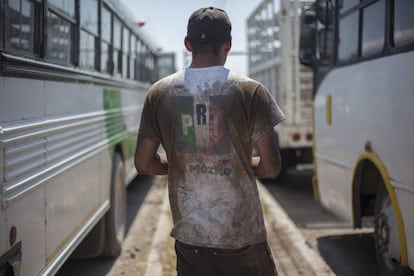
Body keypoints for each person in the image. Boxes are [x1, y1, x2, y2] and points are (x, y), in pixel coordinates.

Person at [134, 6, 285, 276]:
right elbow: (271, 166)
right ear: (228, 44)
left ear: (187, 44)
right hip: (242, 240)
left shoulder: (159, 92)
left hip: (190, 242)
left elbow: (144, 163)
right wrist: (236, 163)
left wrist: (186, 162)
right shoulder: (251, 91)